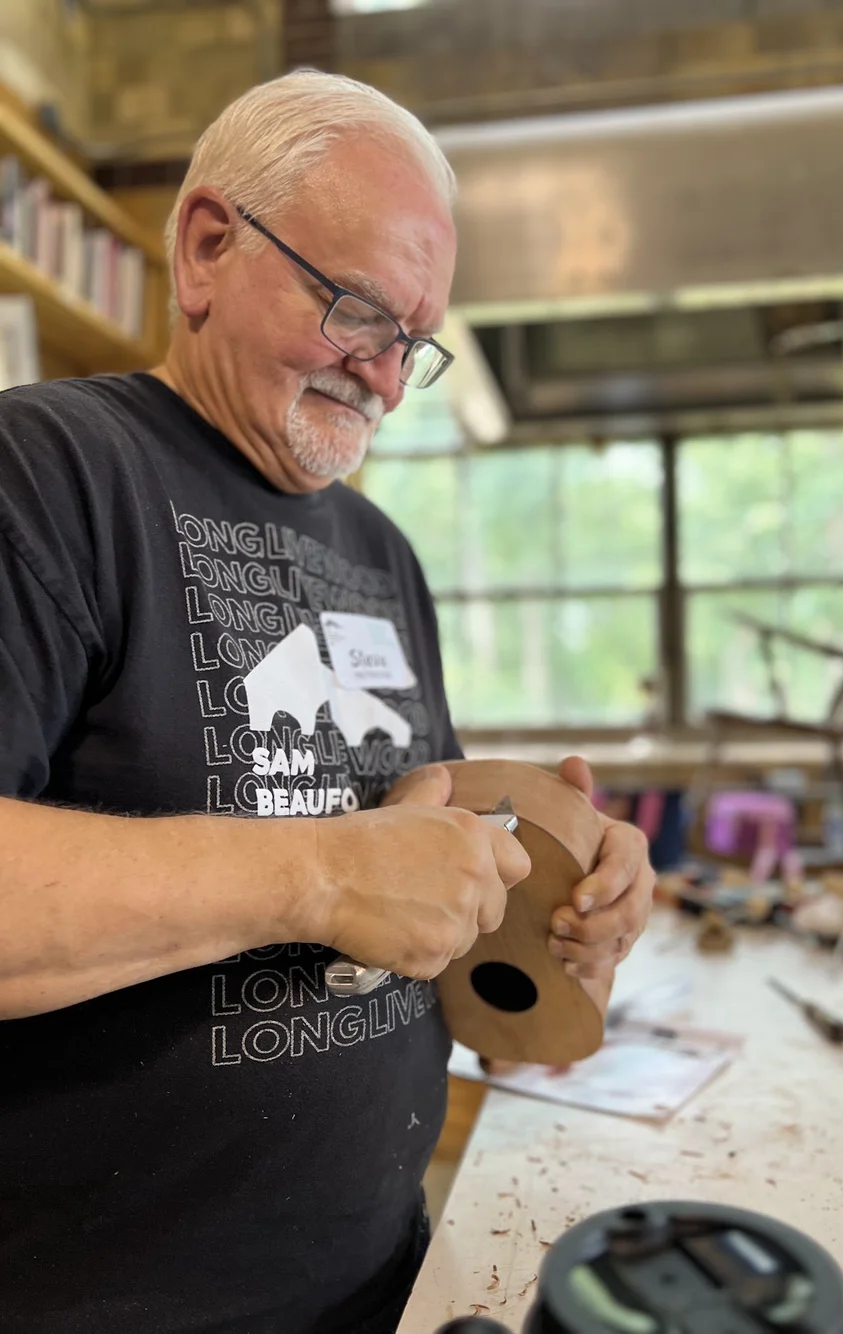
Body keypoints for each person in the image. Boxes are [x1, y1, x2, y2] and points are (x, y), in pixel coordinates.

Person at [0, 70, 655, 1333]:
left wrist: (564, 903)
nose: (385, 376)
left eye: (412, 338)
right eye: (355, 309)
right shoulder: (46, 475)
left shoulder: (380, 551)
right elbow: (341, 867)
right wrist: (318, 875)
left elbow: (449, 944)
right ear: (205, 246)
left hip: (382, 1279)